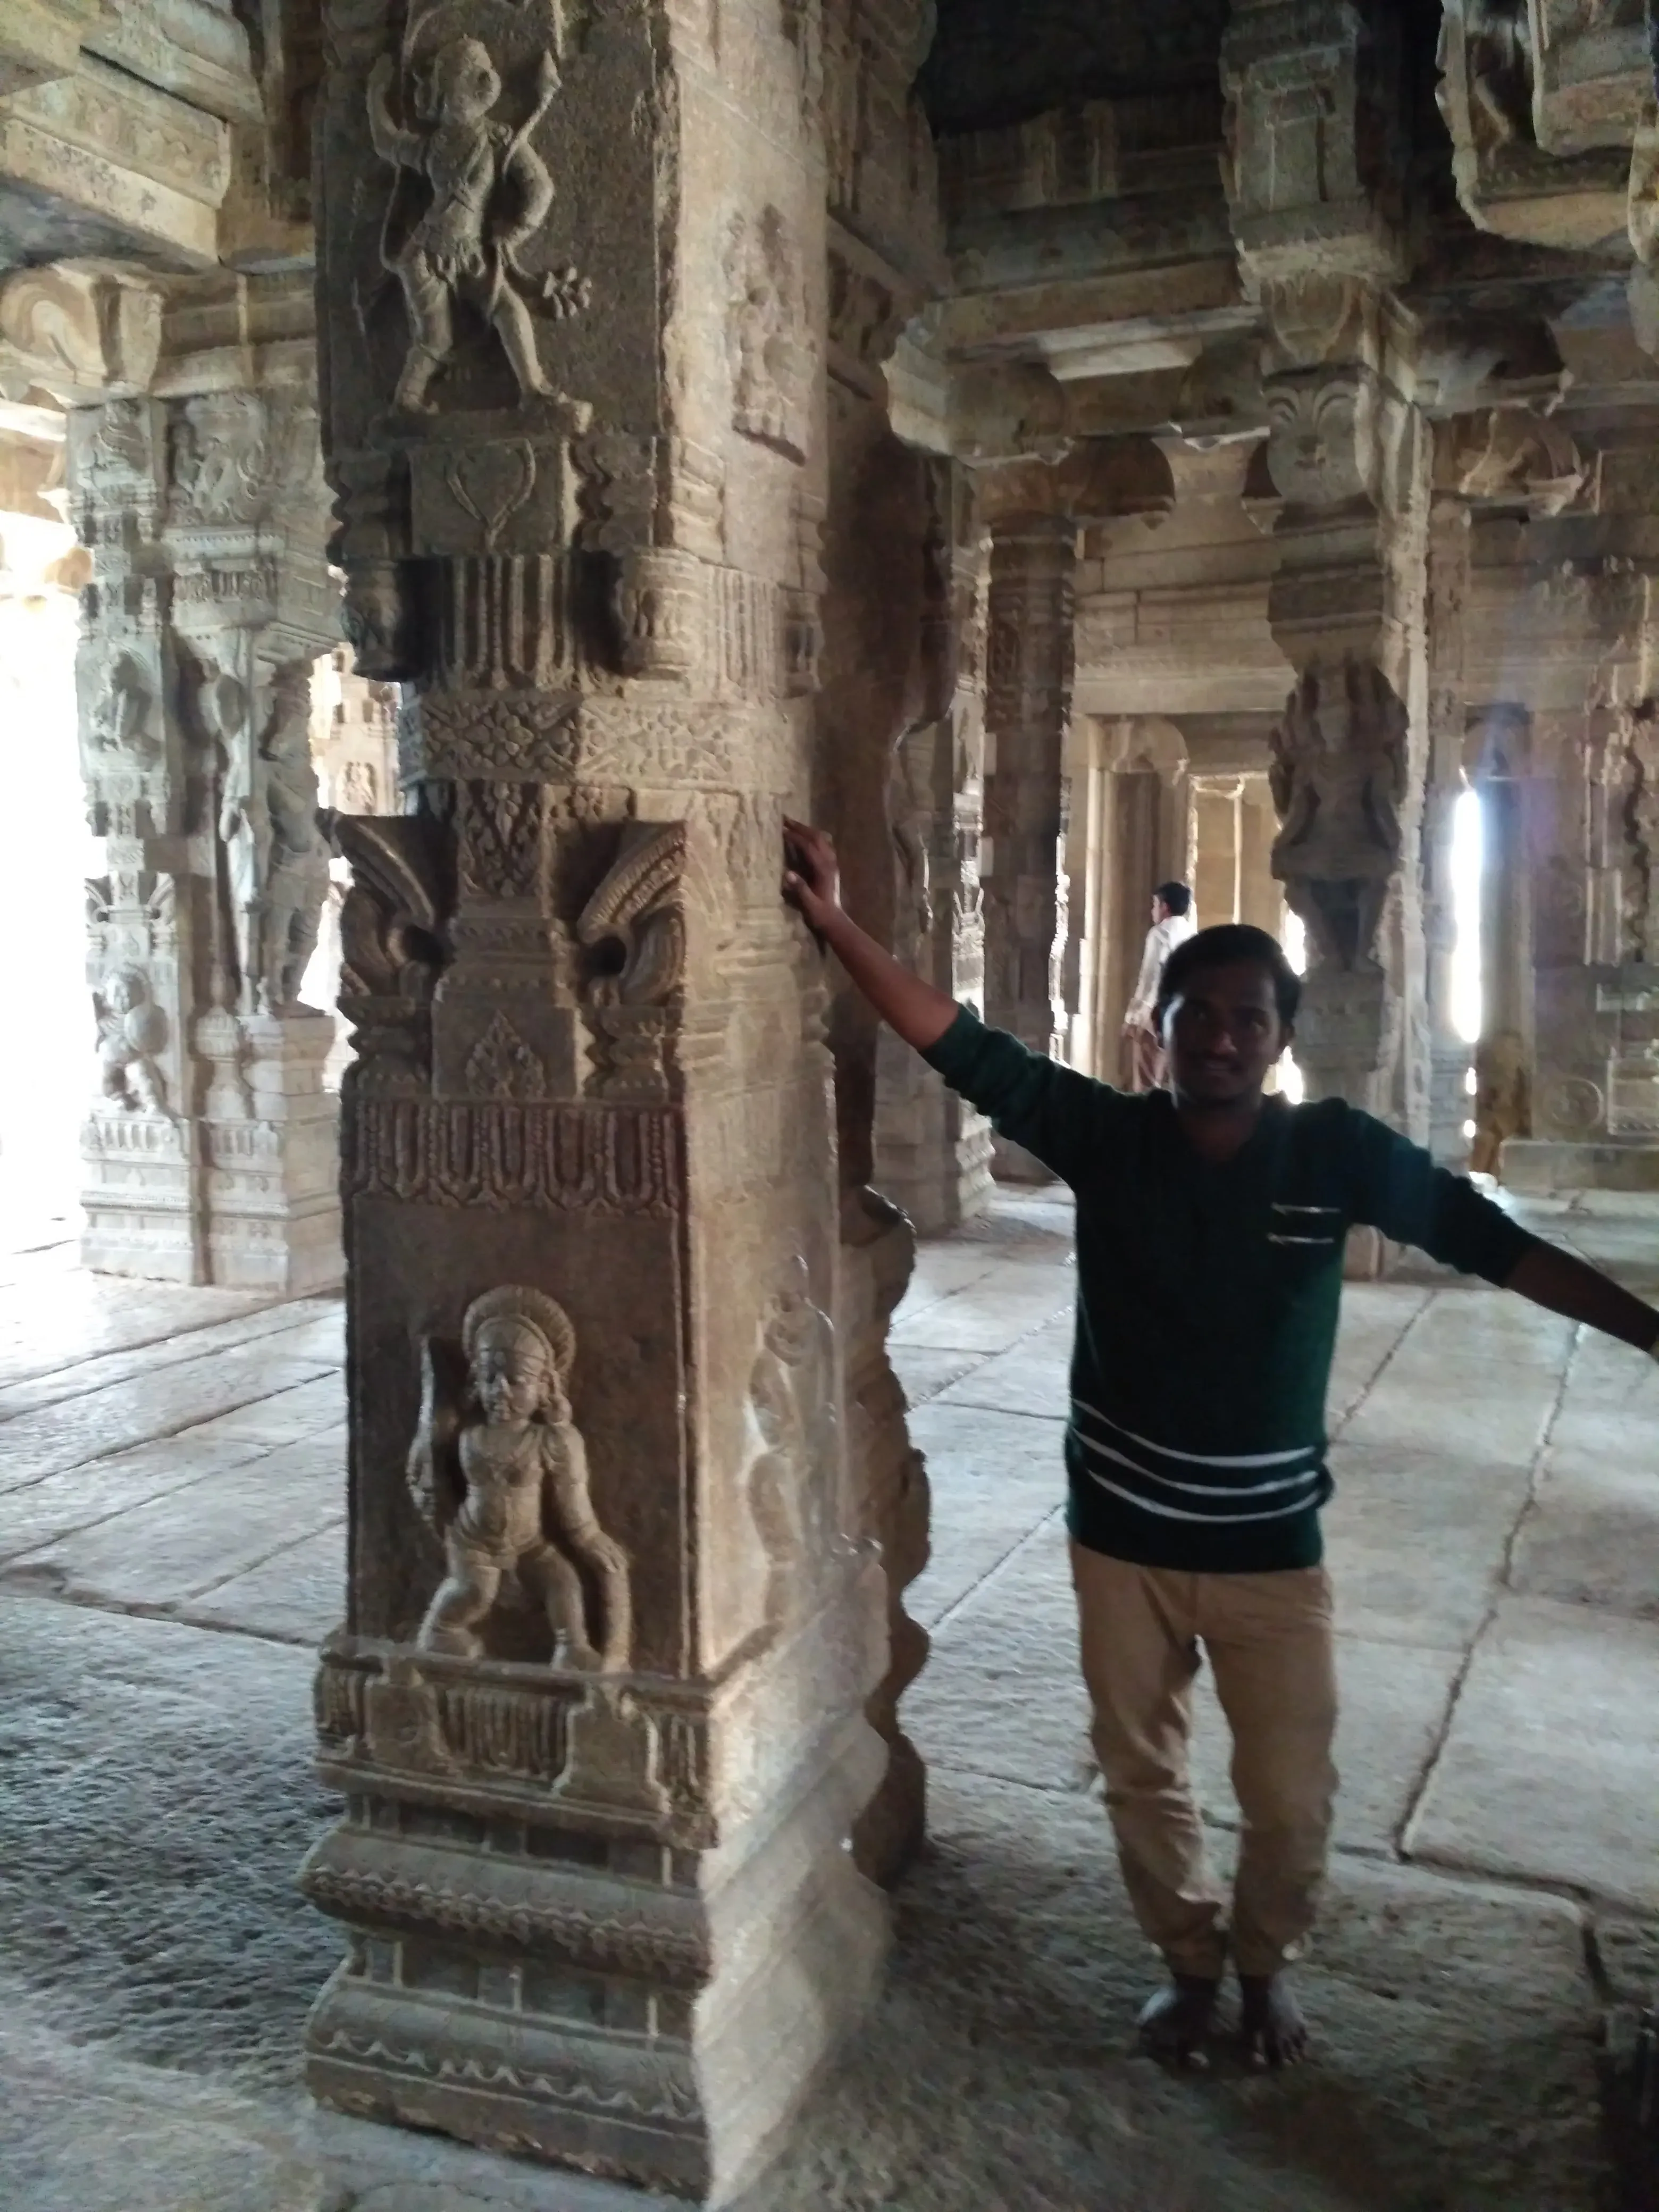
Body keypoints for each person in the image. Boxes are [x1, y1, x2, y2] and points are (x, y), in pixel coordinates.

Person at [780, 817, 1659, 2072]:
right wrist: (833, 922)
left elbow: (1489, 1241)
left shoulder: (1330, 1154)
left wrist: (1643, 1328)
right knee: (1140, 1774)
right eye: (1201, 1013)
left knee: (1291, 1798)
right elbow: (962, 1046)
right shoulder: (1112, 1138)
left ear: (1277, 1039)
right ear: (1163, 1030)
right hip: (1121, 1541)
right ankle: (1188, 1965)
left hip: (1265, 1557)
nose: (1223, 1035)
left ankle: (1263, 1964)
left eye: (1249, 1017)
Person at [1123, 882, 1196, 1092]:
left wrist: (1133, 1017)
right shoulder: (1191, 935)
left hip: (1155, 1017)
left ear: (1165, 906)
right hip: (1183, 1017)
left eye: (1155, 904)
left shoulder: (1160, 934)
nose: (1152, 910)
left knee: (1147, 1084)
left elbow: (1150, 979)